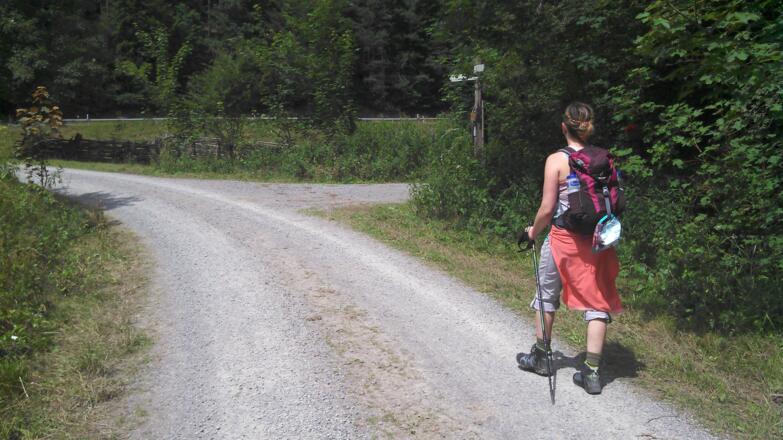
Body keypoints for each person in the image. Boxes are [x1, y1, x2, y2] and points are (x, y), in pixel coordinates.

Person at [515, 102, 622, 395]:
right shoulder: (604, 159)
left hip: (563, 240)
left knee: (546, 295)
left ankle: (541, 356)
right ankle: (592, 372)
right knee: (597, 302)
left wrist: (532, 232)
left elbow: (547, 209)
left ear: (564, 126)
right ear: (588, 127)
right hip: (598, 240)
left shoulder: (556, 160)